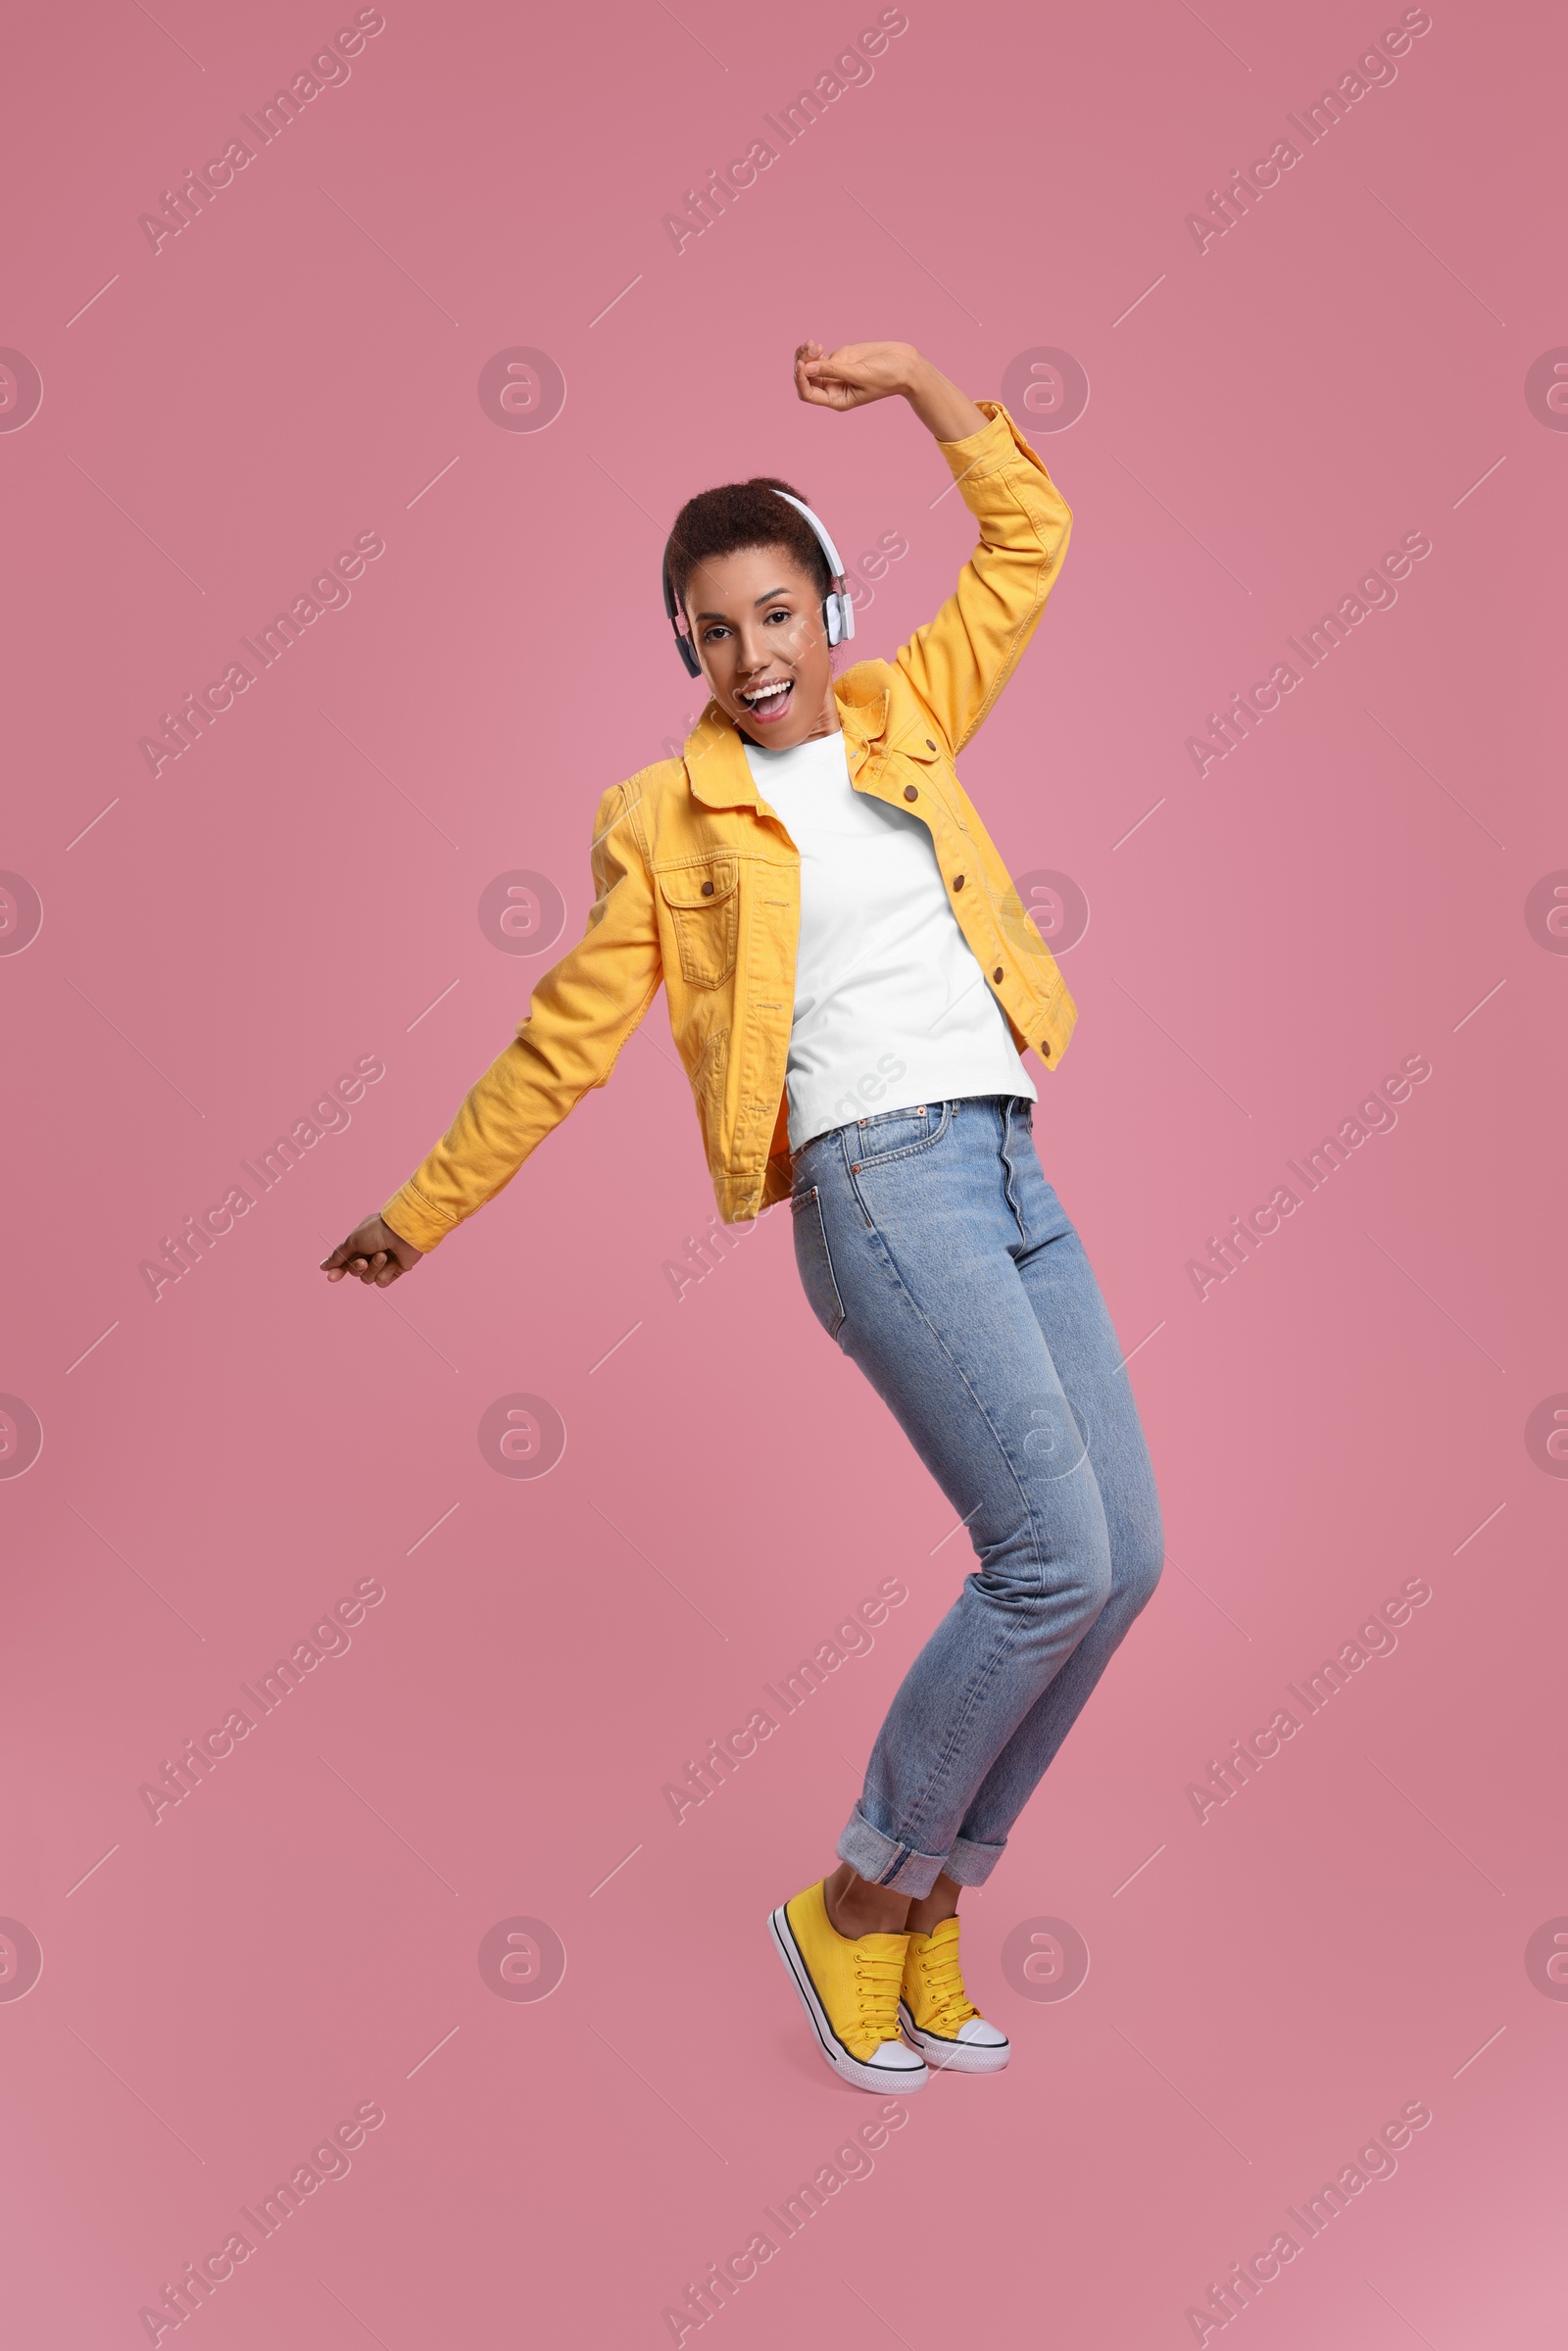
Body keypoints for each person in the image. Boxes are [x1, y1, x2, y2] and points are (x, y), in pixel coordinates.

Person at [321, 339, 1164, 2096]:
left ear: (831, 608)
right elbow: (562, 1040)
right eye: (716, 631)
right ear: (686, 653)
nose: (755, 654)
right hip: (878, 1185)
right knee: (1049, 1560)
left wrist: (925, 383)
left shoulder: (903, 712)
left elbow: (1030, 540)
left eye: (779, 612)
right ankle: (856, 1905)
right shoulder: (666, 820)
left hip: (1012, 1159)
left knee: (1126, 1561)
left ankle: (931, 1908)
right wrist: (422, 1210)